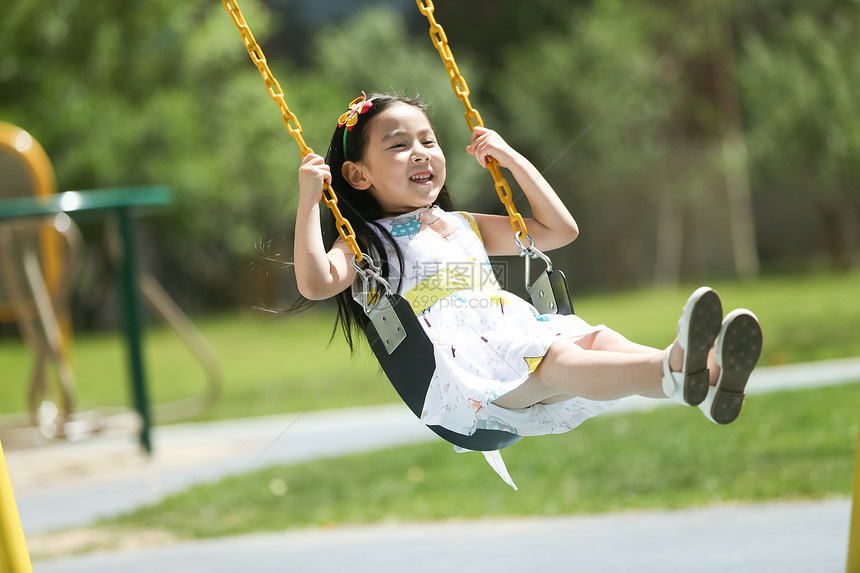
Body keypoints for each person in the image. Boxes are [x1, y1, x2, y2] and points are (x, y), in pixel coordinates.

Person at [293, 92, 763, 487]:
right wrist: (310, 201)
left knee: (595, 339)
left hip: (513, 335)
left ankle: (702, 374)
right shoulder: (366, 245)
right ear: (358, 175)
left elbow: (560, 230)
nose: (420, 152)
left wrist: (511, 159)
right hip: (467, 379)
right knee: (556, 359)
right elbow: (315, 284)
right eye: (398, 145)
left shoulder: (464, 225)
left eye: (428, 140)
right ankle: (677, 367)